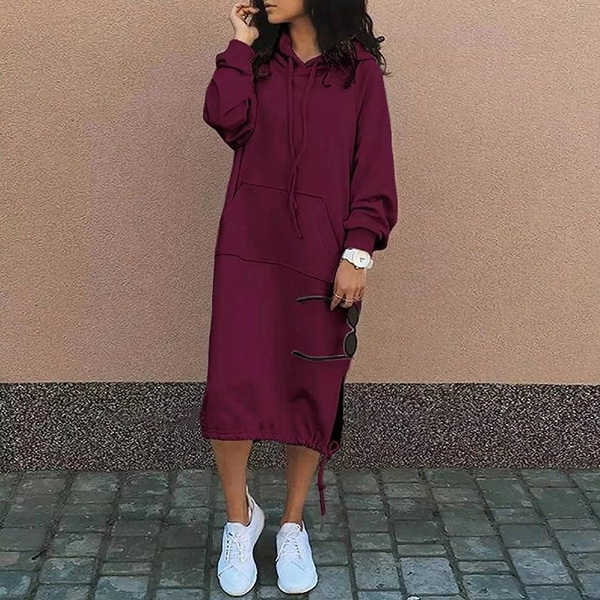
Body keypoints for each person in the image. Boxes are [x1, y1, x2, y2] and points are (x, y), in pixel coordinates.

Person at [200, 0, 398, 595]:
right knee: (232, 384)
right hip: (248, 251)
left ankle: (291, 525)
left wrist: (357, 252)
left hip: (321, 259)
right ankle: (239, 520)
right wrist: (240, 43)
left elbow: (374, 168)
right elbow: (224, 118)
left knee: (310, 388)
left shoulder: (358, 71)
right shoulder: (257, 60)